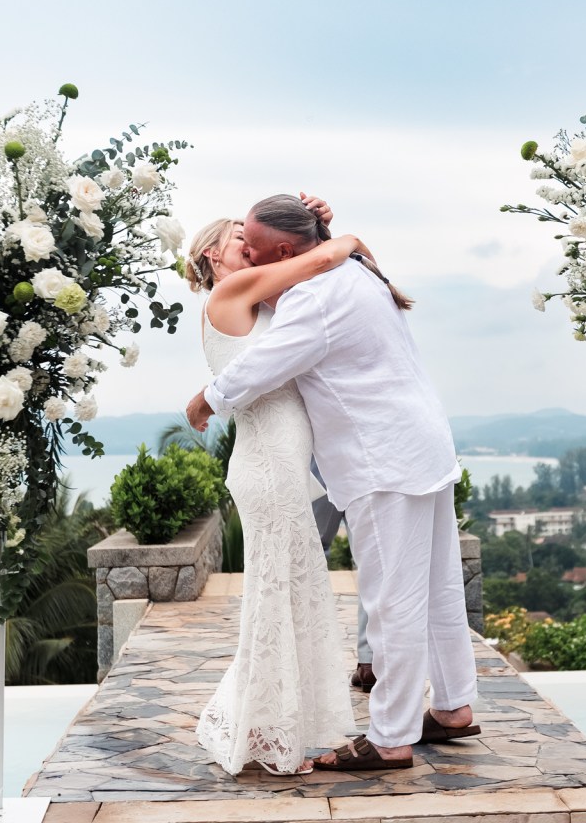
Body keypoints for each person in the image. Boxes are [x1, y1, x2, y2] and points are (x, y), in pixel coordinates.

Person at [186, 195, 479, 772]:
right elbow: (298, 255)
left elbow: (262, 363)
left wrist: (207, 398)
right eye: (239, 242)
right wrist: (329, 232)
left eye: (254, 242)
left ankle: (391, 738)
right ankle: (452, 708)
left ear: (285, 251)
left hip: (383, 461)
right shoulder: (348, 272)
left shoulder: (314, 298)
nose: (247, 248)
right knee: (439, 586)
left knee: (393, 600)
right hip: (422, 444)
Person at [184, 209, 359, 776]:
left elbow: (309, 276)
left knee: (287, 595)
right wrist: (347, 238)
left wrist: (319, 222)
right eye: (241, 237)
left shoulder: (257, 302)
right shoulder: (233, 288)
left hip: (278, 465)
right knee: (278, 596)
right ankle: (270, 734)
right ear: (214, 254)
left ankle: (269, 726)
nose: (252, 246)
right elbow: (318, 260)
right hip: (268, 467)